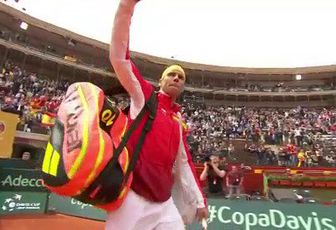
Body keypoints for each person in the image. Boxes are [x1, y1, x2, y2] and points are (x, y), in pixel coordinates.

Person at [107, 0, 208, 229]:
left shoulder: (178, 119)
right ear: (161, 80)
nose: (176, 79)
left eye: (180, 78)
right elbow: (120, 58)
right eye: (172, 75)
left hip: (164, 204)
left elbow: (183, 162)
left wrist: (198, 200)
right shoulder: (144, 96)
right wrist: (126, 7)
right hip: (131, 198)